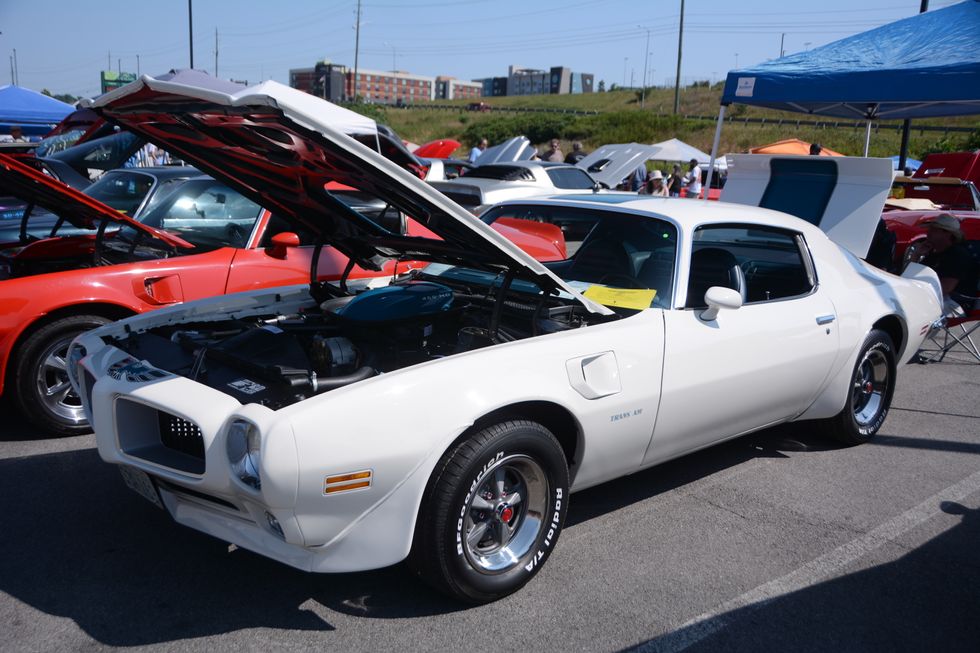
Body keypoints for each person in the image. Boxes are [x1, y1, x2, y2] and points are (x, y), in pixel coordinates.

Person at [915, 214, 977, 313]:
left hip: (955, 303)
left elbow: (945, 288)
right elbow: (909, 275)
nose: (928, 233)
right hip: (933, 296)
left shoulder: (958, 255)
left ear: (948, 234)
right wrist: (916, 255)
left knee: (912, 309)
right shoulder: (933, 253)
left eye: (934, 230)